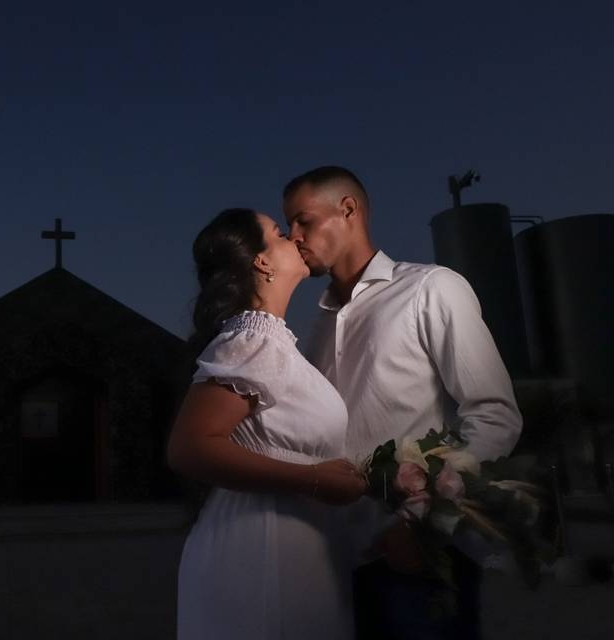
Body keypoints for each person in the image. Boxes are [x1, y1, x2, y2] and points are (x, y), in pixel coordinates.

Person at [283, 166, 523, 640]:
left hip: (417, 560)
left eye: (302, 221)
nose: (293, 237)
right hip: (335, 561)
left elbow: (495, 413)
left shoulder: (431, 288)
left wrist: (423, 522)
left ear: (348, 210)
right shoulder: (315, 328)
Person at [168, 207, 368, 640]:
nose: (295, 237)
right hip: (261, 551)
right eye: (279, 233)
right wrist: (313, 479)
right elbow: (190, 447)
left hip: (293, 549)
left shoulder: (274, 343)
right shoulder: (252, 340)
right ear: (261, 261)